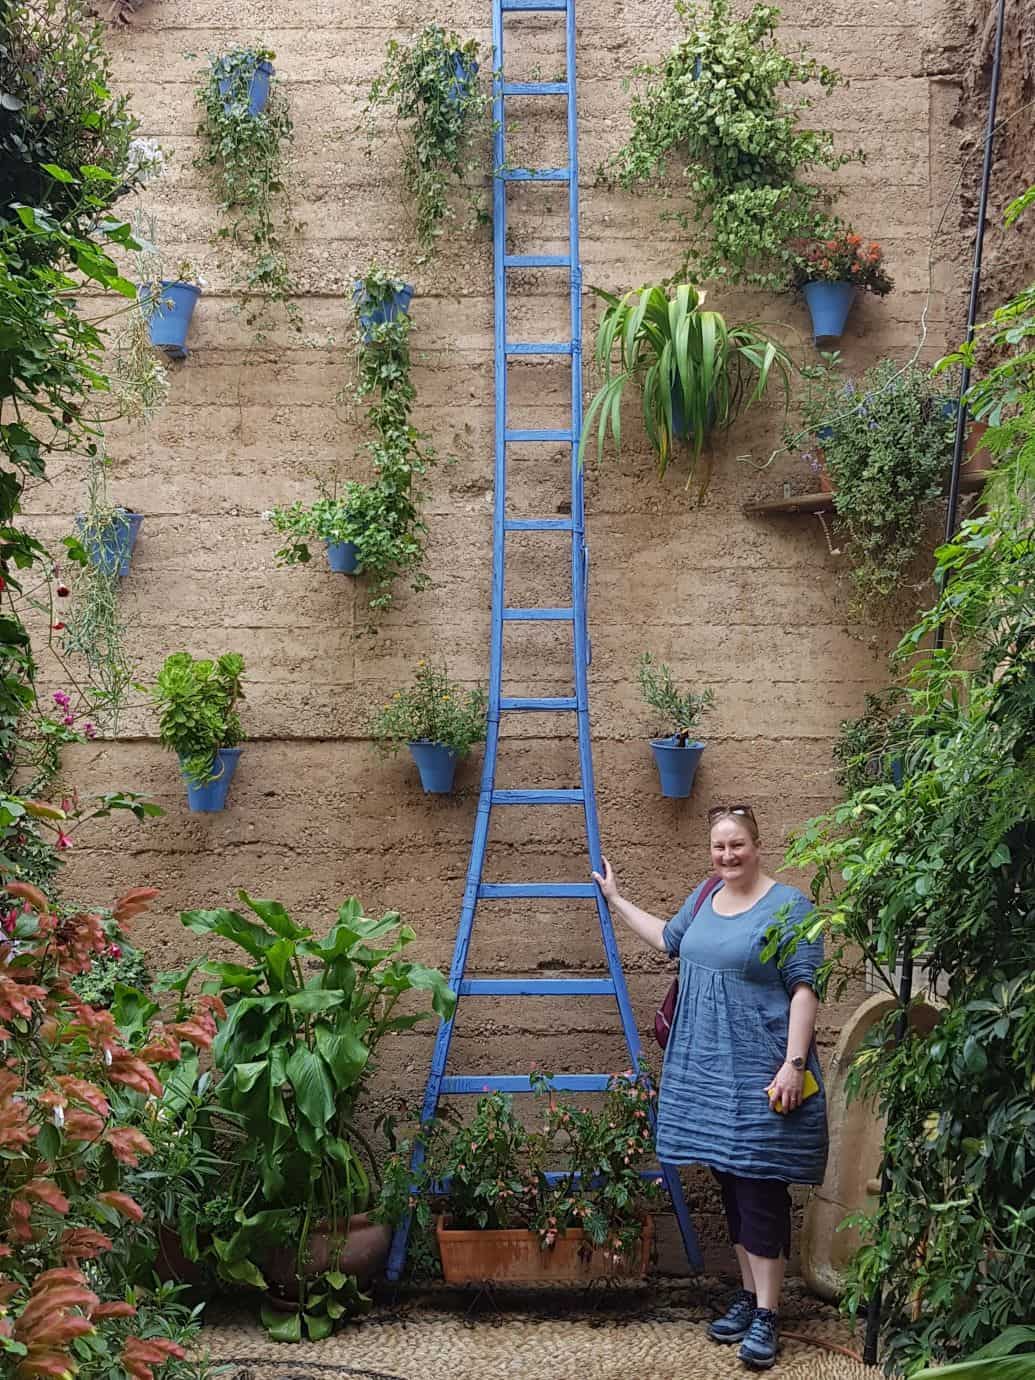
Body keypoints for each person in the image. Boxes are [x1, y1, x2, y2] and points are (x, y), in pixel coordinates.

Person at [592, 804, 828, 1371]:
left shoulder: (789, 907)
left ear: (757, 844)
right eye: (719, 846)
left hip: (763, 1071)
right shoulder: (703, 899)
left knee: (759, 1185)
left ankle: (770, 1314)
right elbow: (668, 941)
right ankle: (749, 1299)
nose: (728, 855)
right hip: (706, 1075)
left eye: (737, 845)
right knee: (729, 1180)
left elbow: (804, 990)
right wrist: (617, 899)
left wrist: (794, 1064)